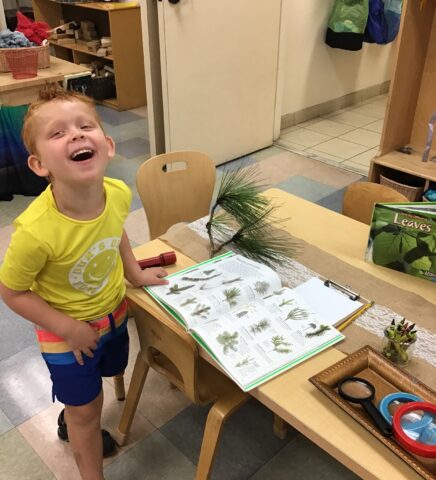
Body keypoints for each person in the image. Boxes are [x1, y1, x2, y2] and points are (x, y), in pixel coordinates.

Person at [0, 83, 168, 480]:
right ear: (40, 165)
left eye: (84, 126)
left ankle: (80, 409)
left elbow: (116, 231)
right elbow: (11, 291)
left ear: (107, 146)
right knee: (86, 411)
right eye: (57, 133)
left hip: (113, 315)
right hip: (66, 336)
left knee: (110, 373)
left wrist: (135, 272)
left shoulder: (118, 193)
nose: (75, 134)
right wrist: (67, 328)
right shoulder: (36, 231)